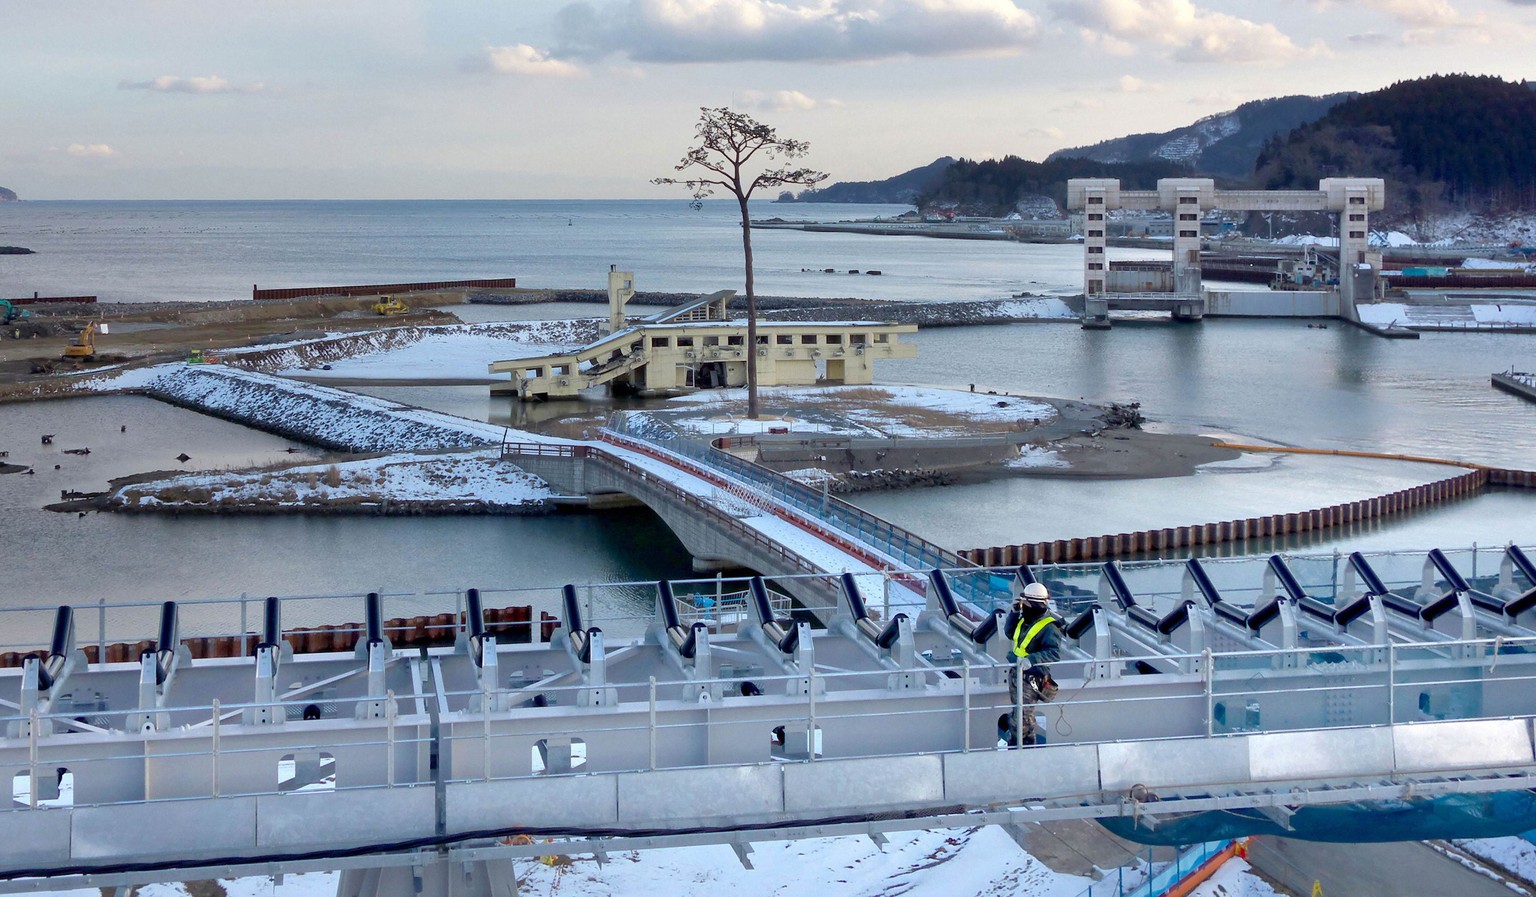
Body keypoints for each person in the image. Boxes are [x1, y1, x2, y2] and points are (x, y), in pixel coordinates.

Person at [1001, 581, 1062, 747]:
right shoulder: (1024, 620)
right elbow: (1010, 633)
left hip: (1032, 677)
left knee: (1023, 716)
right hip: (1017, 674)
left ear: (1036, 604)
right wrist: (1013, 615)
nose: (1022, 607)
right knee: (1018, 712)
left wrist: (1031, 660)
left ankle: (1024, 747)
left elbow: (1054, 653)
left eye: (1025, 604)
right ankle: (1018, 744)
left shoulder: (1049, 628)